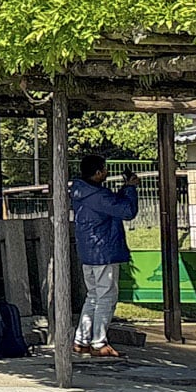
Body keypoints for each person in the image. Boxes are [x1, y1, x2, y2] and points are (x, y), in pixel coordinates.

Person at [69, 152, 139, 357]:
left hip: (87, 251)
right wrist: (131, 188)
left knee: (93, 296)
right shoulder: (99, 195)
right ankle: (99, 342)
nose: (107, 172)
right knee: (106, 297)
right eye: (105, 169)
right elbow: (126, 211)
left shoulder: (82, 192)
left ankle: (81, 340)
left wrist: (124, 189)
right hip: (104, 251)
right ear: (98, 172)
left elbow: (111, 205)